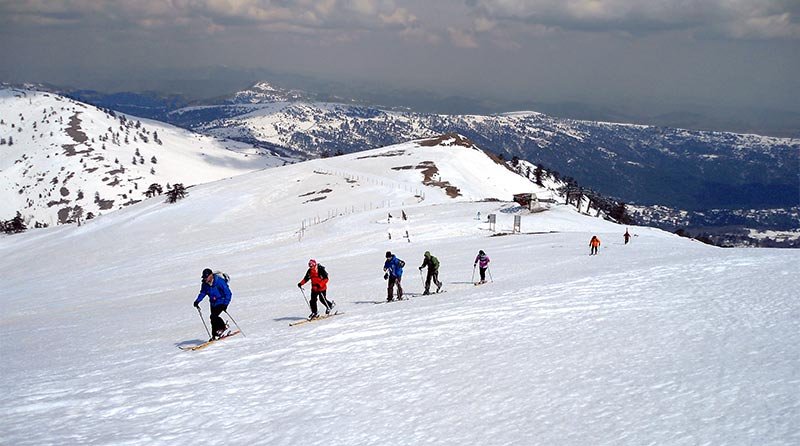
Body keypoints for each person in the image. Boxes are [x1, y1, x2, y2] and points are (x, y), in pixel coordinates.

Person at [194, 268, 232, 340]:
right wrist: (197, 301)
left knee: (213, 316)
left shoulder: (220, 282)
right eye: (204, 277)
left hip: (221, 301)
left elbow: (228, 293)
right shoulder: (205, 284)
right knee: (212, 319)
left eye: (206, 277)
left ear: (211, 275)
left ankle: (223, 327)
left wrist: (225, 304)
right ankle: (214, 335)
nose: (205, 279)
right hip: (213, 303)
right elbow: (203, 292)